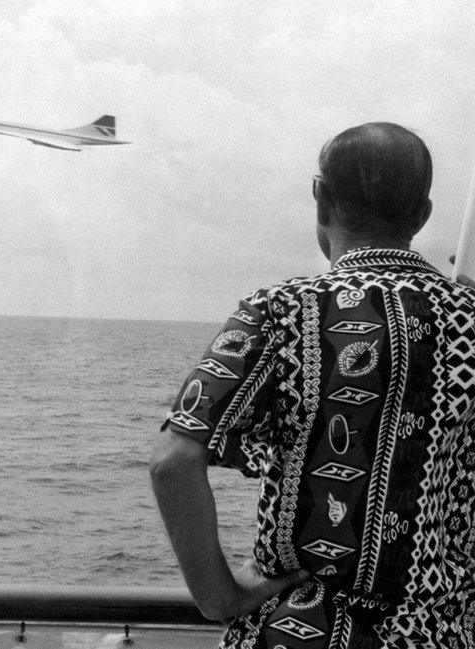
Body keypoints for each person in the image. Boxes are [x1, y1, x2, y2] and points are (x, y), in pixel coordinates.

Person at [150, 122, 475, 648]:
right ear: (423, 215)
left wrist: (221, 598)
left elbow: (173, 461)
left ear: (320, 198)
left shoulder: (279, 311)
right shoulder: (470, 318)